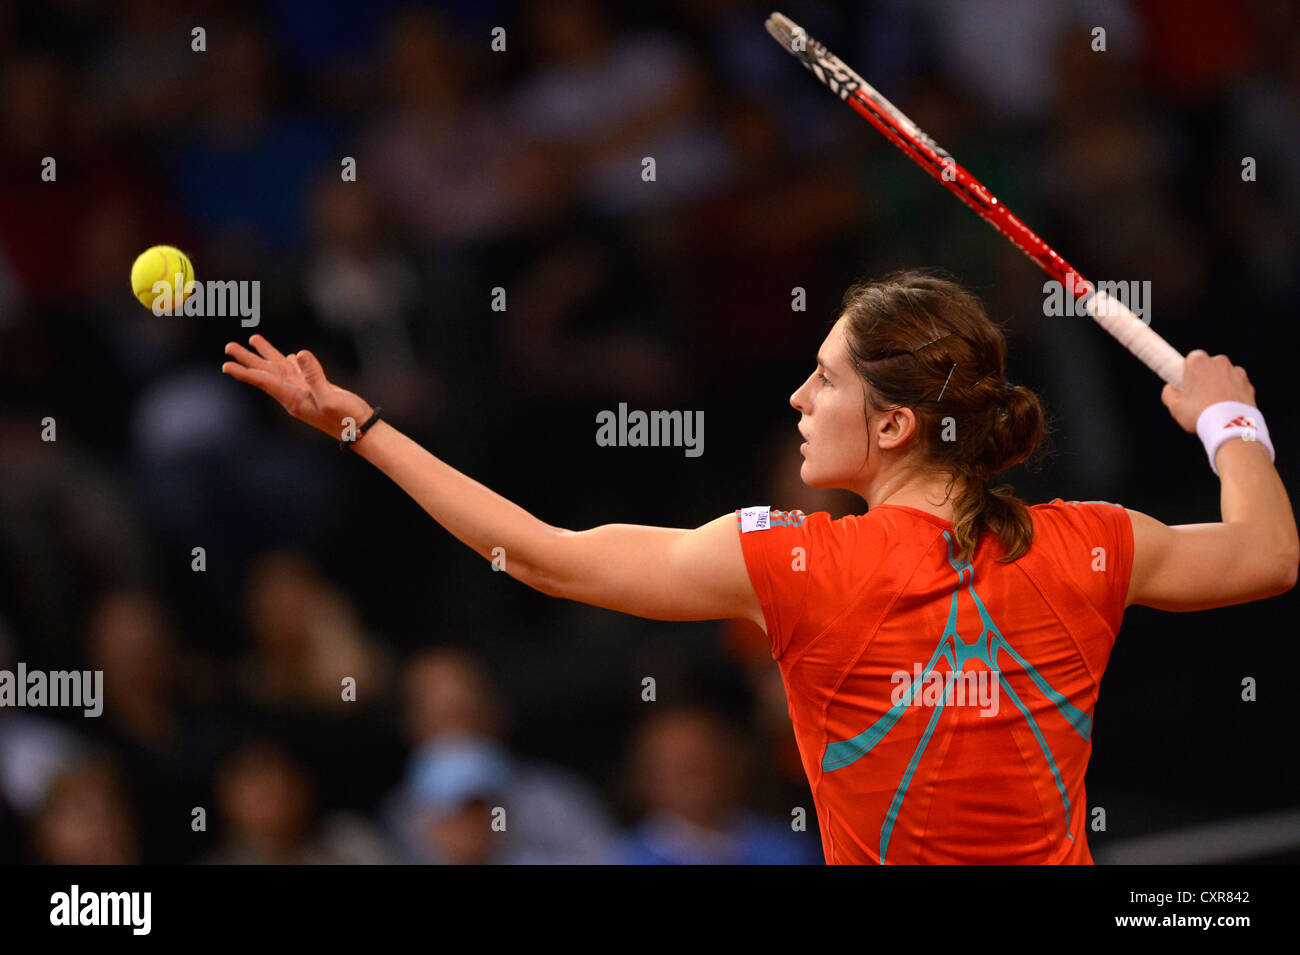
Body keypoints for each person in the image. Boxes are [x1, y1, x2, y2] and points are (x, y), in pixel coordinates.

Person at [221, 269, 1297, 864]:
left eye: (823, 380)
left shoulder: (795, 561)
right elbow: (1264, 553)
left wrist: (363, 429)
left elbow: (541, 557)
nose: (796, 398)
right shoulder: (1092, 541)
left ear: (893, 425)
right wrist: (1228, 420)